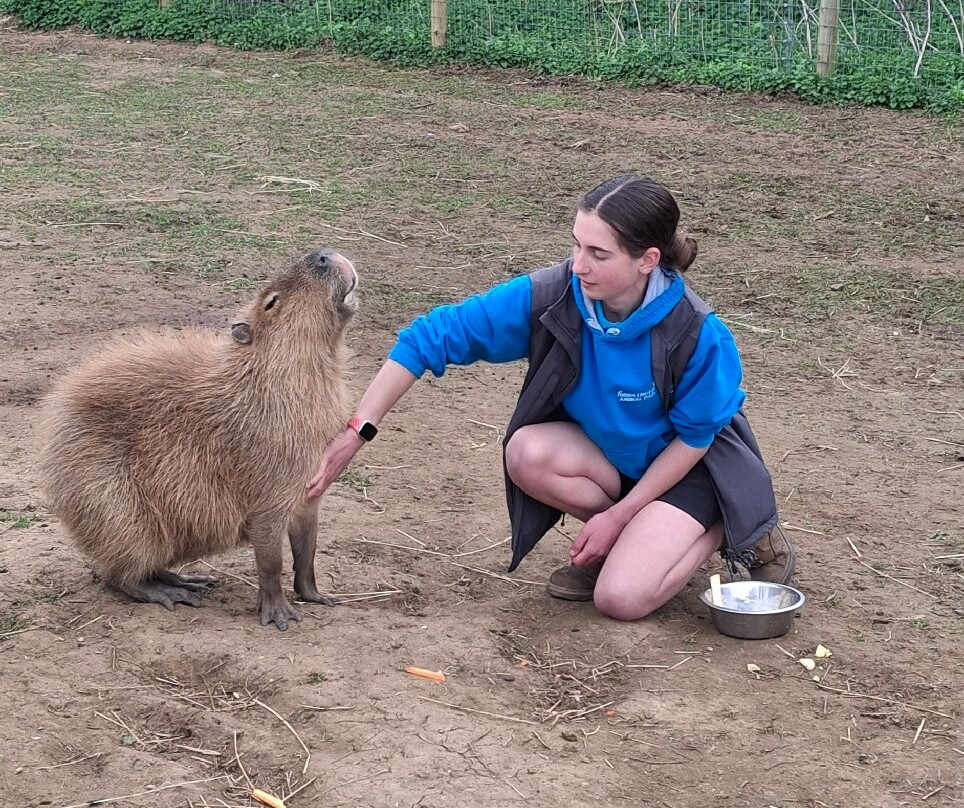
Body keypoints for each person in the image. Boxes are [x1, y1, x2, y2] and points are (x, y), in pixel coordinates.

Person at [307, 174, 794, 621]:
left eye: (599, 254)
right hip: (614, 462)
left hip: (689, 471)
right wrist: (356, 433)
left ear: (647, 260)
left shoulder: (698, 333)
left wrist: (617, 517)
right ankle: (636, 541)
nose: (578, 265)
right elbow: (428, 338)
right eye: (577, 245)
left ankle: (728, 524)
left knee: (620, 599)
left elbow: (695, 440)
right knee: (527, 452)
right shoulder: (554, 295)